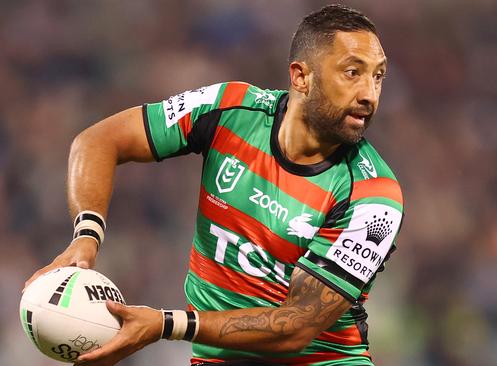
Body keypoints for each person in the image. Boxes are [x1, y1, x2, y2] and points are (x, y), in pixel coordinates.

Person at [24, 4, 403, 366]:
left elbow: (297, 327)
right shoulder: (229, 109)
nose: (369, 94)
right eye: (353, 72)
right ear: (301, 77)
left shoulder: (374, 197)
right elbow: (97, 141)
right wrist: (86, 237)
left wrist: (166, 324)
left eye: (378, 76)